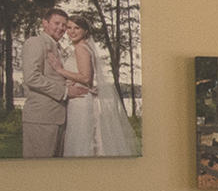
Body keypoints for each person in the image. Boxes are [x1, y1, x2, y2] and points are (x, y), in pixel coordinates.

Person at [55, 11, 139, 158]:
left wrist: (60, 70)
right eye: (69, 28)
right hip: (83, 97)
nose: (71, 31)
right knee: (88, 138)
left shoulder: (81, 48)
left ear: (85, 31)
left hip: (80, 101)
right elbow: (85, 76)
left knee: (81, 140)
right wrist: (71, 79)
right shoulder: (86, 47)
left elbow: (86, 77)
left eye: (77, 28)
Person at [17, 10, 86, 157]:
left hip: (58, 118)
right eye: (57, 23)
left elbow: (55, 76)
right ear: (45, 23)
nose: (61, 28)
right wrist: (65, 92)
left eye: (64, 25)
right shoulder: (35, 42)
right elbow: (32, 77)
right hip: (41, 119)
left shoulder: (58, 48)